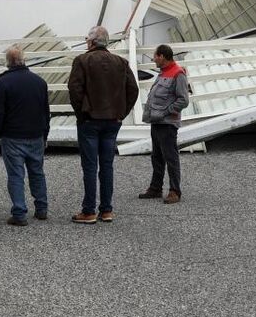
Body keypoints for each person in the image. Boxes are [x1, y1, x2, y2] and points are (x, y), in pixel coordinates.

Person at [67, 26, 139, 224]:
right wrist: (121, 113)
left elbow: (74, 90)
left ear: (91, 42)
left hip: (90, 120)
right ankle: (106, 210)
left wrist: (81, 113)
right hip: (112, 120)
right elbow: (133, 90)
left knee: (90, 166)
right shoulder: (121, 63)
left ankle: (89, 211)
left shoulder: (82, 60)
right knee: (107, 166)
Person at [0, 45, 50, 226]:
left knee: (16, 175)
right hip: (36, 135)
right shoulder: (39, 82)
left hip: (13, 135)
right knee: (37, 173)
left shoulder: (3, 83)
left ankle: (19, 213)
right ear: (24, 60)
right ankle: (42, 208)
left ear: (7, 62)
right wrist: (45, 134)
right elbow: (45, 112)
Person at [140, 44, 190, 204]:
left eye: (155, 56)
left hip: (167, 123)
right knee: (157, 157)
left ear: (162, 56)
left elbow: (183, 100)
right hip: (157, 122)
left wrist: (166, 111)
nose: (153, 59)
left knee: (170, 157)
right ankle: (155, 188)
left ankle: (175, 191)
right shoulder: (163, 73)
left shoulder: (178, 74)